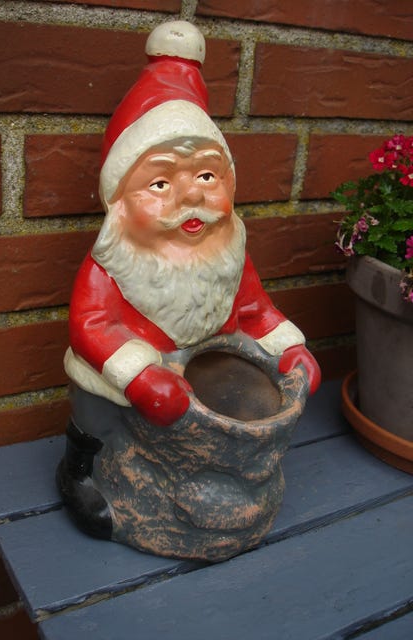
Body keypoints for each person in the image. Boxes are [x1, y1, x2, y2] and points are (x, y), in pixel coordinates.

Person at [58, 21, 320, 539]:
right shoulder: (111, 263)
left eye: (206, 175)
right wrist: (139, 376)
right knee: (97, 400)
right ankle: (83, 470)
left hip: (205, 368)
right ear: (119, 201)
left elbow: (255, 311)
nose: (192, 196)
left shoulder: (227, 251)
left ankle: (205, 485)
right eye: (160, 182)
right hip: (137, 374)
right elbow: (91, 326)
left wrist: (290, 348)